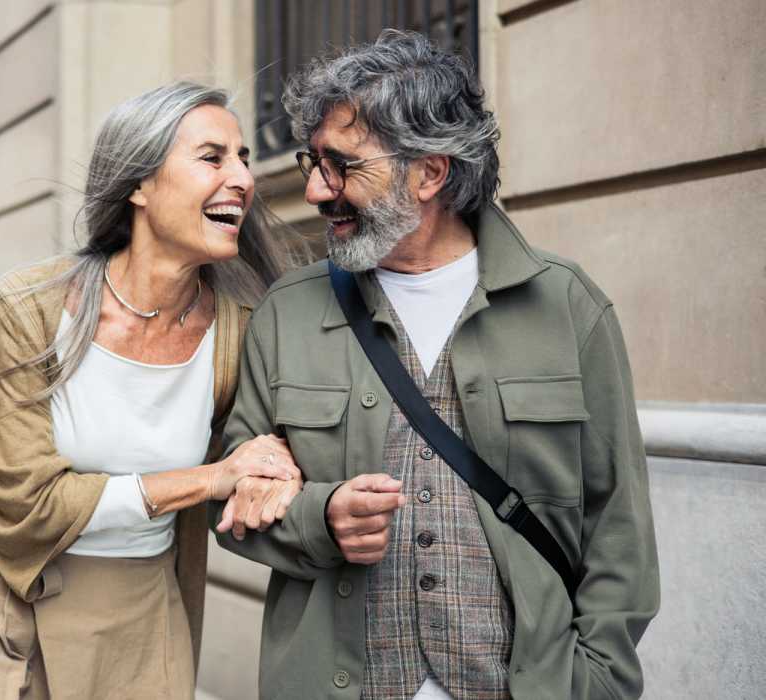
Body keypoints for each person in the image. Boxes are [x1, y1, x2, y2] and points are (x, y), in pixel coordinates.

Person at [212, 31, 659, 699]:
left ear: (429, 172)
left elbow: (618, 532)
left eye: (342, 165)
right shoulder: (287, 313)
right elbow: (230, 498)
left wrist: (593, 683)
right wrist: (322, 516)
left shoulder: (568, 307)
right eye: (313, 161)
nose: (313, 188)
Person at [0, 82, 305, 700]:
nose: (243, 179)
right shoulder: (32, 308)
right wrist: (208, 479)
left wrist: (265, 478)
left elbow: (267, 458)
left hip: (141, 612)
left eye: (244, 157)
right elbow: (26, 506)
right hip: (7, 597)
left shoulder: (239, 330)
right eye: (212, 157)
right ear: (139, 185)